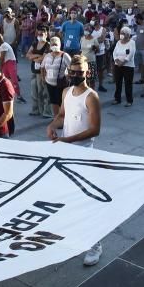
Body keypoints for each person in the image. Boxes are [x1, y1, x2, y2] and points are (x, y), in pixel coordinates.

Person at [46, 55, 103, 266]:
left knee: (86, 202)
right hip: (66, 152)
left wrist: (68, 139)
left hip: (84, 155)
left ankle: (95, 245)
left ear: (87, 72)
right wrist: (52, 126)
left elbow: (95, 129)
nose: (75, 75)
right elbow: (62, 114)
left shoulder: (91, 97)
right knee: (65, 197)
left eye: (79, 72)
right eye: (72, 72)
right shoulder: (66, 92)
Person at [41, 36, 71, 117]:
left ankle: (63, 118)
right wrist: (43, 78)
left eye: (56, 44)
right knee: (53, 101)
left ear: (59, 45)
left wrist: (68, 78)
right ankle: (56, 117)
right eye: (52, 44)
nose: (54, 46)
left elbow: (71, 68)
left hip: (60, 83)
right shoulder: (47, 56)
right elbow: (42, 67)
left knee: (60, 101)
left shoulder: (65, 56)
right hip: (49, 82)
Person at [27, 26, 52, 118]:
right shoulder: (34, 43)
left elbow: (43, 58)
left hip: (42, 72)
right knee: (34, 91)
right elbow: (28, 54)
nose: (40, 36)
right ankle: (35, 109)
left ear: (46, 34)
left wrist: (34, 57)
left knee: (42, 91)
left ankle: (46, 111)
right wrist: (37, 55)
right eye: (38, 34)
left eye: (42, 34)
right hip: (34, 70)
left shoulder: (48, 45)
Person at [111, 26, 136, 106]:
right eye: (121, 33)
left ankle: (129, 100)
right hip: (117, 65)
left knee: (128, 83)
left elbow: (131, 53)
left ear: (128, 35)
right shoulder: (118, 42)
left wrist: (124, 62)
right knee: (118, 83)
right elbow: (114, 53)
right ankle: (117, 99)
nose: (121, 35)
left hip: (128, 66)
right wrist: (116, 60)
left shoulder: (132, 42)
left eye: (123, 33)